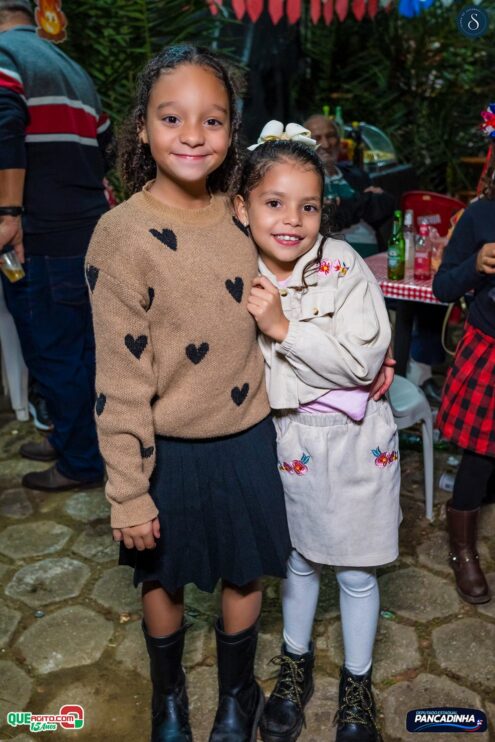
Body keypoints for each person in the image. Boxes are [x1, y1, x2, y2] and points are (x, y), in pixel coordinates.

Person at [86, 46, 292, 742]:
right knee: (161, 580)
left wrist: (357, 349)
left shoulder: (245, 218)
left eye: (214, 119)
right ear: (141, 128)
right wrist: (128, 492)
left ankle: (237, 696)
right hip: (164, 450)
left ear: (233, 131)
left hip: (245, 437)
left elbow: (307, 272)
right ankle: (168, 697)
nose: (194, 135)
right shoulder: (120, 236)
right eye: (172, 118)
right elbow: (119, 378)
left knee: (244, 574)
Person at [234, 124, 401, 742]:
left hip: (358, 443)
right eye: (274, 202)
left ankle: (357, 685)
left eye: (308, 207)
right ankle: (295, 667)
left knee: (356, 572)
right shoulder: (234, 268)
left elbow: (361, 362)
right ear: (242, 207)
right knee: (299, 563)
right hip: (288, 441)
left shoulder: (343, 263)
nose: (292, 220)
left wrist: (284, 329)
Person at [0, 0, 112, 488]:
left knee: (54, 352)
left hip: (40, 232)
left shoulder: (5, 55)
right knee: (82, 350)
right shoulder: (70, 66)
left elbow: (4, 126)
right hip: (88, 230)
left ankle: (81, 461)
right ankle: (73, 439)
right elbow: (105, 140)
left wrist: (8, 213)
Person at [432, 115, 495, 606]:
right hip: (488, 348)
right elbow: (442, 287)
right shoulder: (480, 217)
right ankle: (462, 550)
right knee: (480, 453)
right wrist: (474, 266)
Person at [304, 114, 395, 258]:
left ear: (339, 140)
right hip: (328, 255)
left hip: (371, 252)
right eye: (317, 138)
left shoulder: (355, 174)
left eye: (331, 136)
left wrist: (343, 204)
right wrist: (364, 199)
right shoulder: (302, 180)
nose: (326, 144)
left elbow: (385, 205)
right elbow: (327, 221)